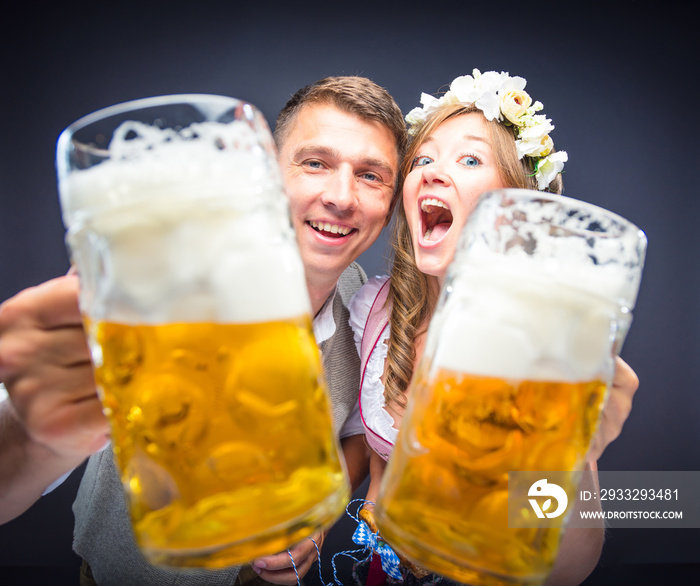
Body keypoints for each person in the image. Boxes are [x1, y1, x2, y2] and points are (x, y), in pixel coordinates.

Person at [0, 76, 407, 586]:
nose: (341, 197)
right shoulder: (160, 285)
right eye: (315, 163)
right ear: (267, 177)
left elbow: (352, 428)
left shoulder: (362, 299)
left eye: (371, 175)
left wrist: (315, 522)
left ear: (390, 203)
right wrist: (28, 435)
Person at [346, 70, 639, 586]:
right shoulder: (375, 308)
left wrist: (572, 460)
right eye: (423, 158)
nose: (433, 172)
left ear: (520, 204)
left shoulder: (544, 347)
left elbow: (567, 569)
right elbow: (379, 473)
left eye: (470, 159)